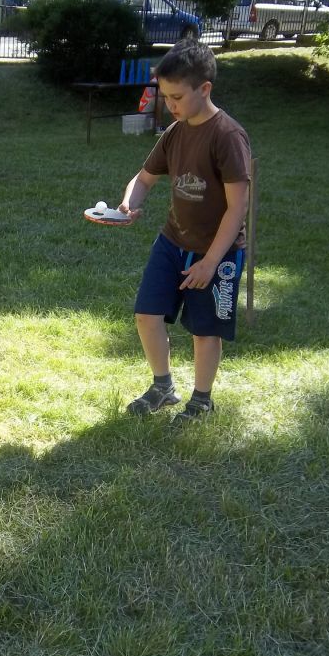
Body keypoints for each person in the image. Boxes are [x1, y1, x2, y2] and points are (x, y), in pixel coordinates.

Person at [117, 39, 252, 421]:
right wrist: (129, 203)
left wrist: (210, 262)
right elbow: (143, 178)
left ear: (204, 88)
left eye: (176, 97)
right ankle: (163, 387)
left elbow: (238, 207)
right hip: (172, 241)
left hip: (217, 251)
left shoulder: (228, 136)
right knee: (147, 314)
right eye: (166, 96)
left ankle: (202, 399)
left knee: (204, 330)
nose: (170, 104)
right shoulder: (174, 133)